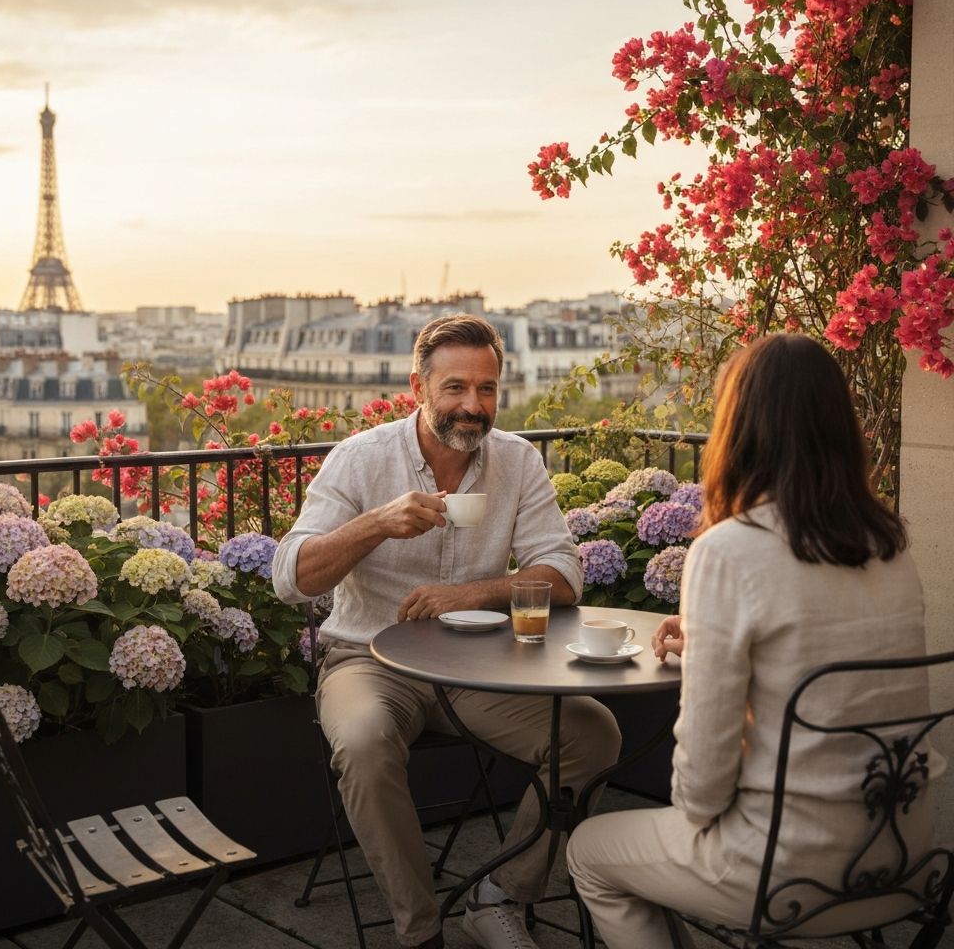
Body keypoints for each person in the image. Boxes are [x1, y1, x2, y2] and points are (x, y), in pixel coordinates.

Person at [566, 333, 939, 948]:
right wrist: (719, 647)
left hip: (788, 871)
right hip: (902, 858)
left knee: (588, 850)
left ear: (738, 427)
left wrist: (695, 816)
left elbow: (702, 787)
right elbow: (839, 660)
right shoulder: (887, 544)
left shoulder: (729, 549)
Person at [272, 314, 621, 949]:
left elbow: (565, 572)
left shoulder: (516, 462)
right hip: (369, 659)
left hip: (477, 664)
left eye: (487, 390)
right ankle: (418, 929)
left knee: (593, 733)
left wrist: (474, 594)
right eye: (456, 388)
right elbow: (291, 578)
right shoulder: (360, 459)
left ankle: (501, 896)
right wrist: (375, 524)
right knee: (364, 740)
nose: (473, 406)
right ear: (418, 387)